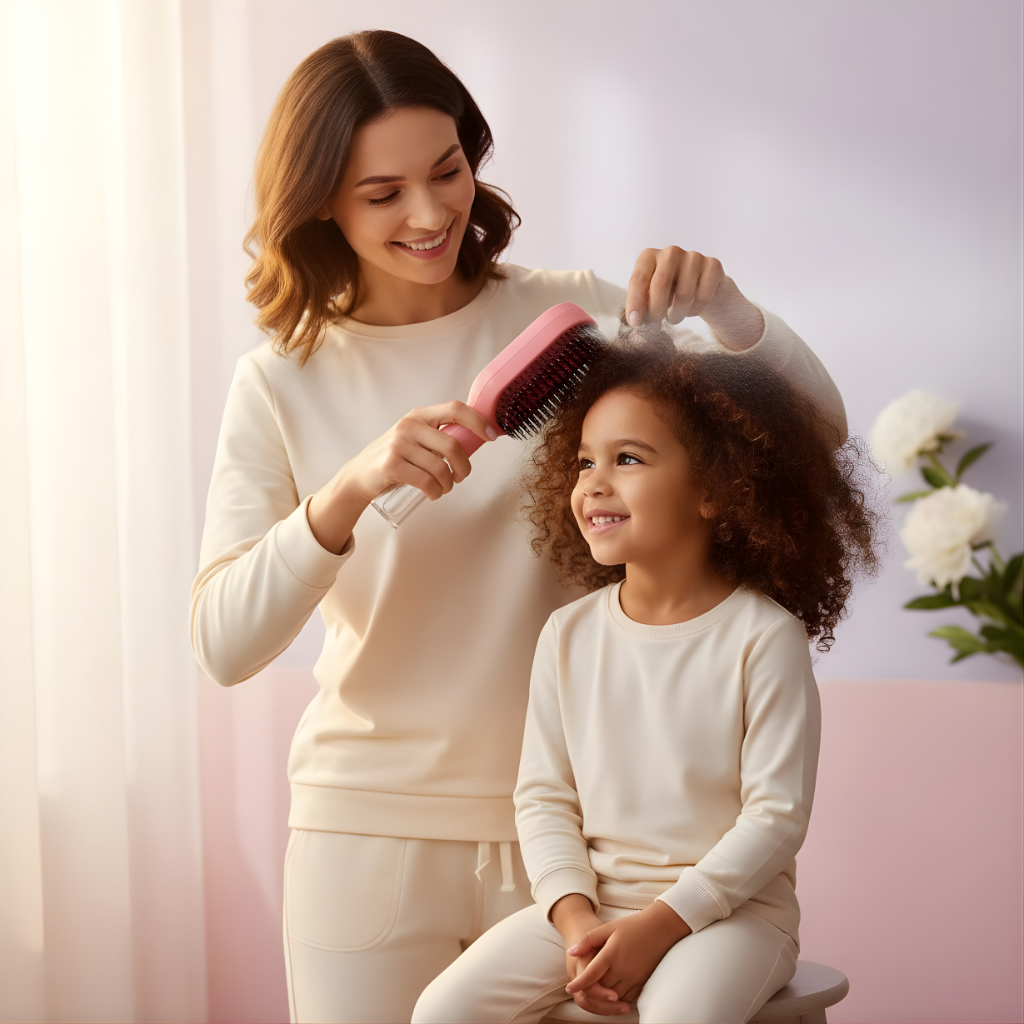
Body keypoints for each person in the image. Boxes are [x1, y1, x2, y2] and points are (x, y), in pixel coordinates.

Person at [190, 29, 849, 1024]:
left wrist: (728, 313)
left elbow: (815, 436)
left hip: (581, 846)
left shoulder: (574, 320)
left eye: (447, 170)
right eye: (381, 193)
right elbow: (225, 642)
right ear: (319, 198)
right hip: (365, 837)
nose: (429, 212)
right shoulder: (280, 381)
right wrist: (350, 488)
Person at [411, 329, 879, 1023]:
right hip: (590, 910)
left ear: (717, 490)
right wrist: (576, 926)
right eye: (583, 462)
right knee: (442, 1010)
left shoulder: (762, 638)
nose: (594, 482)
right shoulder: (569, 634)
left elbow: (775, 819)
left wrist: (658, 926)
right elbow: (543, 797)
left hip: (733, 919)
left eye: (627, 458)